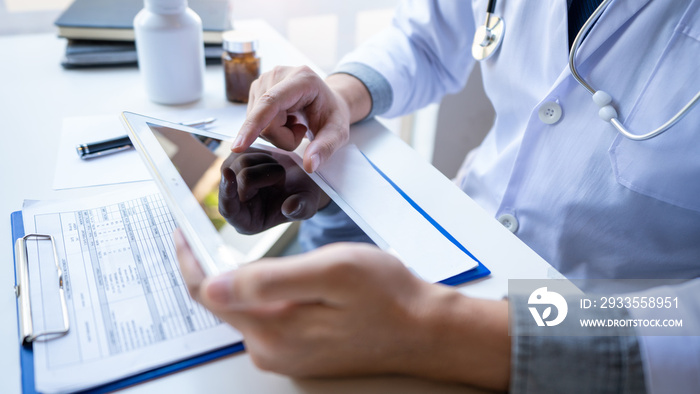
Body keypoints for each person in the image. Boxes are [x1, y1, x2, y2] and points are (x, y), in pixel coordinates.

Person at [175, 0, 700, 392]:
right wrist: (340, 95)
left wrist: (435, 326)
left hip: (600, 315)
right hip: (459, 240)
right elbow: (427, 38)